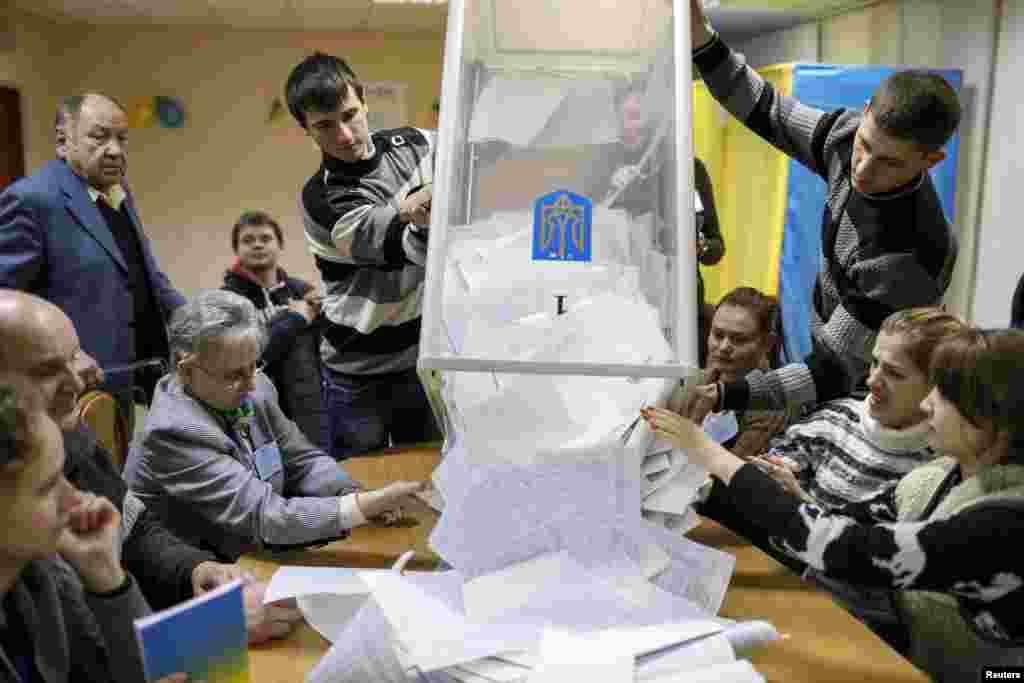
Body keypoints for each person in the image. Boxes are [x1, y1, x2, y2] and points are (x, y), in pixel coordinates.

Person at [644, 328, 1024, 682]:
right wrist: (783, 499)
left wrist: (708, 453)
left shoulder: (1004, 525)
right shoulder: (940, 475)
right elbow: (848, 526)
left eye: (942, 395)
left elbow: (846, 549)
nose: (927, 404)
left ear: (988, 424)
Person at [684, 0, 960, 422]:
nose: (863, 170)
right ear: (864, 112)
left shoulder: (907, 253)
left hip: (874, 396)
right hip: (829, 355)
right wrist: (701, 39)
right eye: (866, 146)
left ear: (931, 161)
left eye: (890, 162)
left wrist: (726, 394)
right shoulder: (844, 137)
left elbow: (832, 370)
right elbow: (765, 107)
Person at [0, 289, 301, 643]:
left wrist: (194, 569)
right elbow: (70, 657)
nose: (83, 376)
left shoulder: (71, 433)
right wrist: (208, 628)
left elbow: (135, 530)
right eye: (49, 369)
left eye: (75, 353)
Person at [124, 290, 426, 561]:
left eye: (253, 366)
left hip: (256, 546)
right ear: (186, 370)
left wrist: (350, 492)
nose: (251, 384)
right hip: (206, 571)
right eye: (234, 375)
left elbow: (302, 461)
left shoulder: (255, 387)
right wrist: (360, 507)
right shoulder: (173, 433)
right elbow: (264, 517)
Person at [285, 53, 440, 458]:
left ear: (364, 101)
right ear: (306, 130)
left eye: (350, 114)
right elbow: (407, 248)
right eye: (324, 125)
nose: (345, 135)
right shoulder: (322, 200)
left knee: (428, 479)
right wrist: (419, 211)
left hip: (419, 361)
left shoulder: (416, 144)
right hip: (356, 374)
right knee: (364, 493)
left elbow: (471, 158)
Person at [0, 93, 185, 413]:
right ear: (63, 141)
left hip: (134, 377)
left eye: (122, 139)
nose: (114, 150)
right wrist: (66, 354)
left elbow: (144, 271)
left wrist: (198, 320)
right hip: (71, 390)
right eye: (99, 137)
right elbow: (5, 302)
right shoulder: (30, 199)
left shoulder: (119, 191)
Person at [0, 375, 150, 683]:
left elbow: (138, 671)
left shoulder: (40, 573)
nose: (74, 498)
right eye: (47, 486)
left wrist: (107, 576)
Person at [760, 307, 966, 509]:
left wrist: (801, 501)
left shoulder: (941, 468)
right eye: (875, 363)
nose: (872, 380)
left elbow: (876, 541)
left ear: (935, 386)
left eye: (894, 373)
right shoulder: (832, 420)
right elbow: (764, 487)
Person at [222, 210, 326, 449]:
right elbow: (250, 355)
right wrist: (294, 319)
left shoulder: (304, 292)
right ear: (236, 249)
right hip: (256, 411)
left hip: (310, 413)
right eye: (248, 240)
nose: (257, 245)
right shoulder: (227, 301)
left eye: (266, 238)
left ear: (280, 245)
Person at [675, 286, 788, 460]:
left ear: (767, 343)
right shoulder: (693, 383)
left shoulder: (772, 406)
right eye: (718, 335)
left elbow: (733, 474)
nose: (723, 347)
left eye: (739, 339)